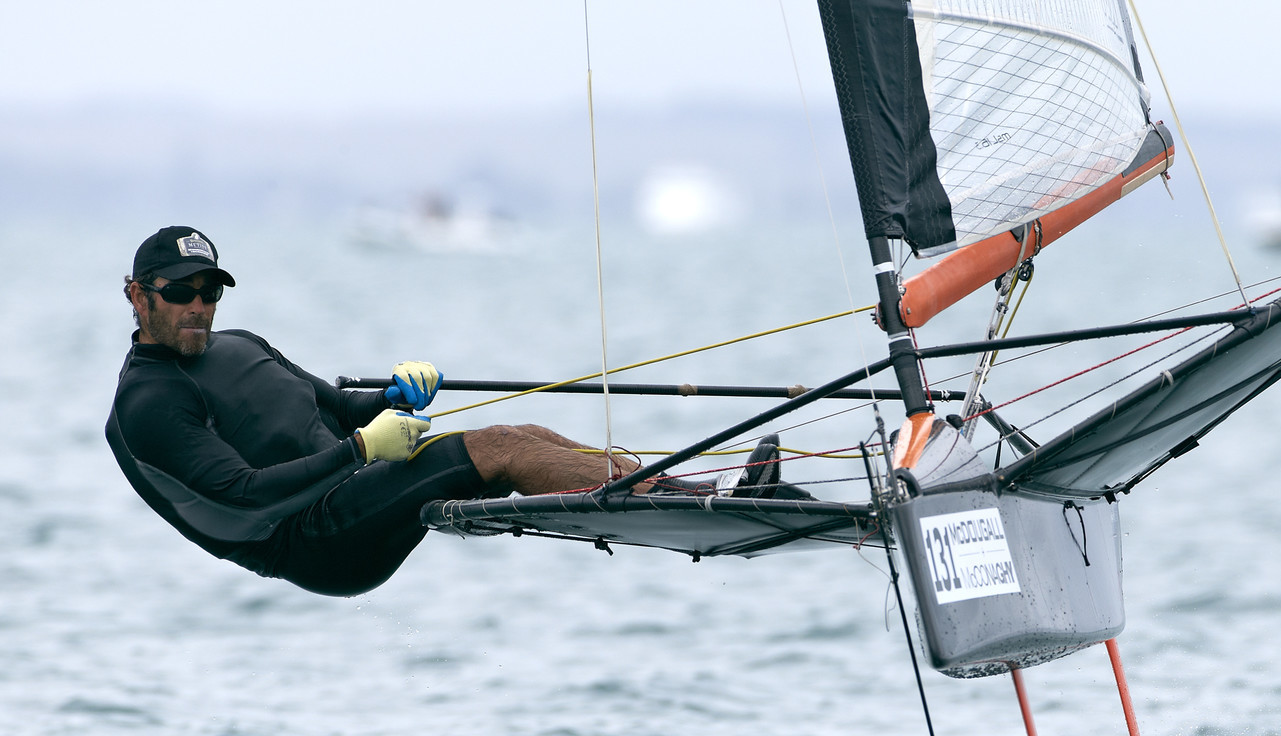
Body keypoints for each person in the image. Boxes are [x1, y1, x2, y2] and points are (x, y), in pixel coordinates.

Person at [106, 226, 787, 596]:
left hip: (352, 491)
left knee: (520, 435)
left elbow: (343, 410)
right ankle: (698, 497)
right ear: (139, 296)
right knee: (495, 449)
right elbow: (243, 497)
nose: (198, 304)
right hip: (311, 544)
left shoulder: (240, 344)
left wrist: (393, 400)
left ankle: (684, 490)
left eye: (211, 290)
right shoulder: (148, 403)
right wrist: (366, 450)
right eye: (180, 292)